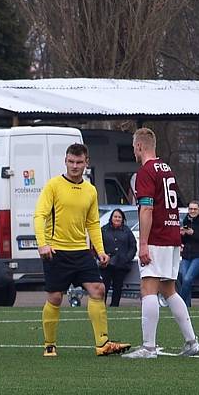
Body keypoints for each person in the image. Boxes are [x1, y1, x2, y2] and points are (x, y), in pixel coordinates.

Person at [33, 143, 131, 357]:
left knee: (98, 289)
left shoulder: (90, 190)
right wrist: (43, 243)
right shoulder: (53, 186)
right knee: (55, 298)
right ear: (65, 161)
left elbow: (93, 223)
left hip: (81, 252)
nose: (74, 166)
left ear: (87, 163)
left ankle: (102, 344)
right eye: (71, 161)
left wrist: (100, 250)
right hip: (56, 251)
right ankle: (50, 344)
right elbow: (39, 215)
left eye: (79, 162)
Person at [123, 128, 199, 359]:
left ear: (139, 146)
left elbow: (146, 208)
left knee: (147, 288)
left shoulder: (146, 171)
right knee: (168, 289)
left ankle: (148, 347)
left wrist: (143, 243)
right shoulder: (166, 168)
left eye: (134, 147)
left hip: (157, 237)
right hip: (172, 236)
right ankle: (191, 341)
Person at [179, 200, 199, 307]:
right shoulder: (186, 221)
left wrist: (193, 233)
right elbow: (184, 241)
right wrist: (182, 235)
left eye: (194, 209)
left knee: (188, 279)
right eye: (190, 209)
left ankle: (180, 304)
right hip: (186, 255)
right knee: (184, 279)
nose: (192, 211)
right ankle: (186, 307)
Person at [100, 208, 136, 306]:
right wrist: (102, 256)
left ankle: (115, 306)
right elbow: (97, 245)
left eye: (119, 217)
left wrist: (127, 258)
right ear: (111, 218)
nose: (117, 219)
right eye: (115, 217)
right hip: (106, 264)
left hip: (121, 264)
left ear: (123, 219)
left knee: (118, 287)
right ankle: (101, 306)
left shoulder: (127, 231)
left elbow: (133, 246)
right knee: (104, 286)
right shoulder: (104, 229)